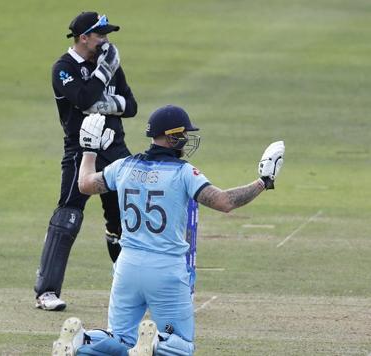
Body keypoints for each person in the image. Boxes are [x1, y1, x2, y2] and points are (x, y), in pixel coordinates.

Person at [51, 106, 285, 355]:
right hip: (165, 268)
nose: (186, 138)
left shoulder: (124, 166)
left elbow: (85, 184)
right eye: (183, 133)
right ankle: (155, 343)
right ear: (172, 136)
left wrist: (88, 150)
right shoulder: (184, 172)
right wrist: (263, 182)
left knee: (120, 339)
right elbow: (224, 202)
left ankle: (83, 340)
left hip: (127, 265)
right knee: (182, 345)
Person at [34, 11, 138, 311]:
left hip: (116, 149)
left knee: (123, 218)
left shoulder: (109, 64)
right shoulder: (64, 68)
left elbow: (131, 106)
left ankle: (127, 286)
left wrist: (104, 98)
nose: (106, 40)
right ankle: (46, 292)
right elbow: (82, 99)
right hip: (81, 149)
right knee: (68, 215)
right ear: (84, 37)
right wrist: (104, 73)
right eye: (100, 34)